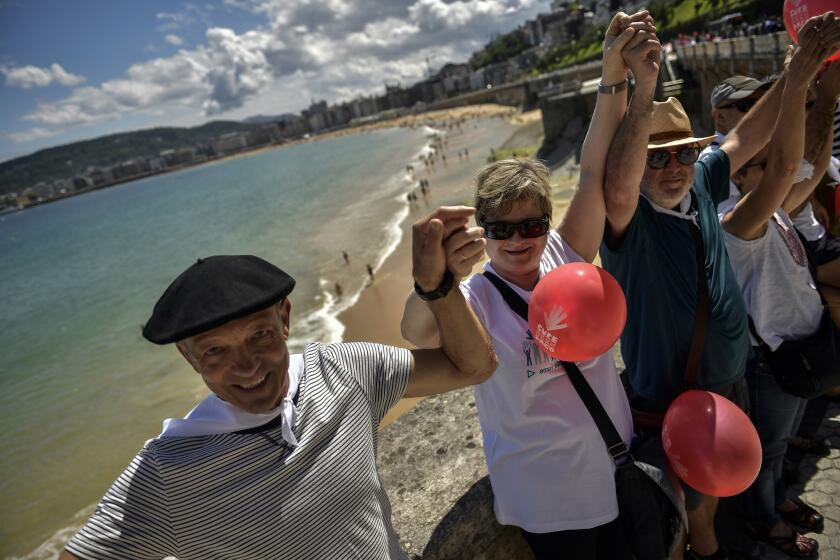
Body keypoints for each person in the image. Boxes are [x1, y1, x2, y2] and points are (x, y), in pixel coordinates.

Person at [59, 224, 498, 559]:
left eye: (260, 336)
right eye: (214, 351)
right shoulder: (168, 471)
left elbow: (472, 366)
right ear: (187, 356)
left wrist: (438, 288)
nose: (247, 367)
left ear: (285, 319)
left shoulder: (343, 371)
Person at [402, 12, 656, 559]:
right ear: (483, 230)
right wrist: (432, 282)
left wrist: (616, 72)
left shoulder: (565, 255)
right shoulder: (470, 299)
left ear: (546, 223)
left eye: (531, 225)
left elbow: (592, 169)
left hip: (613, 463)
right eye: (501, 228)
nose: (518, 240)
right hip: (548, 499)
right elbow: (416, 332)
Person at [597, 13, 839, 559]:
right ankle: (706, 548)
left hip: (729, 377)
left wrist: (795, 71)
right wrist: (643, 89)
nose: (674, 167)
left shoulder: (702, 179)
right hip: (670, 395)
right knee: (679, 505)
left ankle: (712, 539)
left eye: (683, 152)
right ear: (637, 166)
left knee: (711, 491)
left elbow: (748, 133)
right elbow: (617, 183)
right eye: (655, 158)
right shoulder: (629, 220)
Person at [720, 28, 840, 556]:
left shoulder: (771, 206)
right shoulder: (737, 220)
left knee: (783, 440)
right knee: (765, 450)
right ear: (741, 177)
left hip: (797, 344)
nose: (775, 173)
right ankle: (762, 518)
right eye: (760, 166)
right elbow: (792, 167)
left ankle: (776, 500)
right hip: (773, 357)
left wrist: (819, 94)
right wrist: (797, 82)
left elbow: (804, 163)